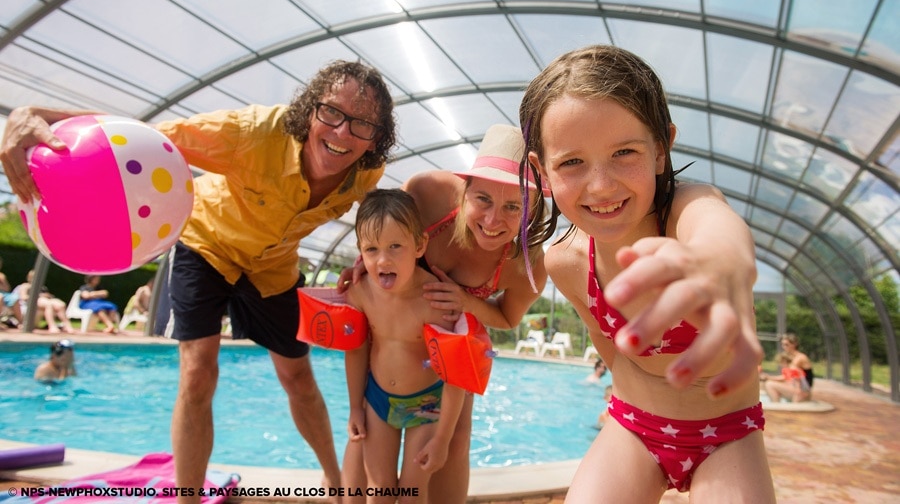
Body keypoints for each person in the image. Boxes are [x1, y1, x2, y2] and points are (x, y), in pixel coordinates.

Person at [0, 60, 396, 504]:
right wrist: (31, 113)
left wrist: (369, 252)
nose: (342, 132)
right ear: (309, 112)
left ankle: (335, 484)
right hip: (206, 244)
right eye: (331, 113)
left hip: (272, 266)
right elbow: (133, 137)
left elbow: (381, 215)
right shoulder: (249, 133)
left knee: (298, 377)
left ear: (375, 139)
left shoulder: (367, 172)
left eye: (361, 124)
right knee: (197, 374)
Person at [519, 45, 775, 501]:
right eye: (572, 162)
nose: (601, 185)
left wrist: (720, 260)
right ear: (542, 170)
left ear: (661, 149)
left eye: (624, 152)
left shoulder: (686, 212)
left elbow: (718, 230)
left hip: (728, 433)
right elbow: (611, 351)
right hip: (633, 427)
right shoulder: (566, 262)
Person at [338, 124, 549, 503]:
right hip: (393, 331)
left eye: (513, 206)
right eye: (483, 199)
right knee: (365, 440)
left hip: (446, 357)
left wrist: (465, 301)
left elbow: (507, 319)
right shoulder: (427, 194)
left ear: (530, 209)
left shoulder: (525, 264)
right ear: (465, 190)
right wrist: (363, 264)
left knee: (455, 439)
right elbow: (386, 232)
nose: (492, 220)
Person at [345, 189, 465, 503]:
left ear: (420, 245)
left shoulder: (436, 300)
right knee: (379, 488)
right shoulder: (360, 293)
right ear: (360, 251)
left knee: (412, 494)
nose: (383, 260)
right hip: (378, 400)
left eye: (395, 246)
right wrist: (355, 407)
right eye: (371, 249)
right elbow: (356, 350)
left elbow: (456, 376)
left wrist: (443, 438)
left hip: (426, 405)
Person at [762, 333, 813, 403]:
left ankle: (776, 406)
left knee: (769, 384)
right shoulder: (789, 357)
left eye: (786, 344)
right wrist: (769, 377)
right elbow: (787, 376)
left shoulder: (800, 358)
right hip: (795, 388)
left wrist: (769, 378)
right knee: (770, 383)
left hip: (802, 391)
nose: (784, 347)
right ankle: (777, 404)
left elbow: (794, 376)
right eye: (783, 344)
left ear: (794, 344)